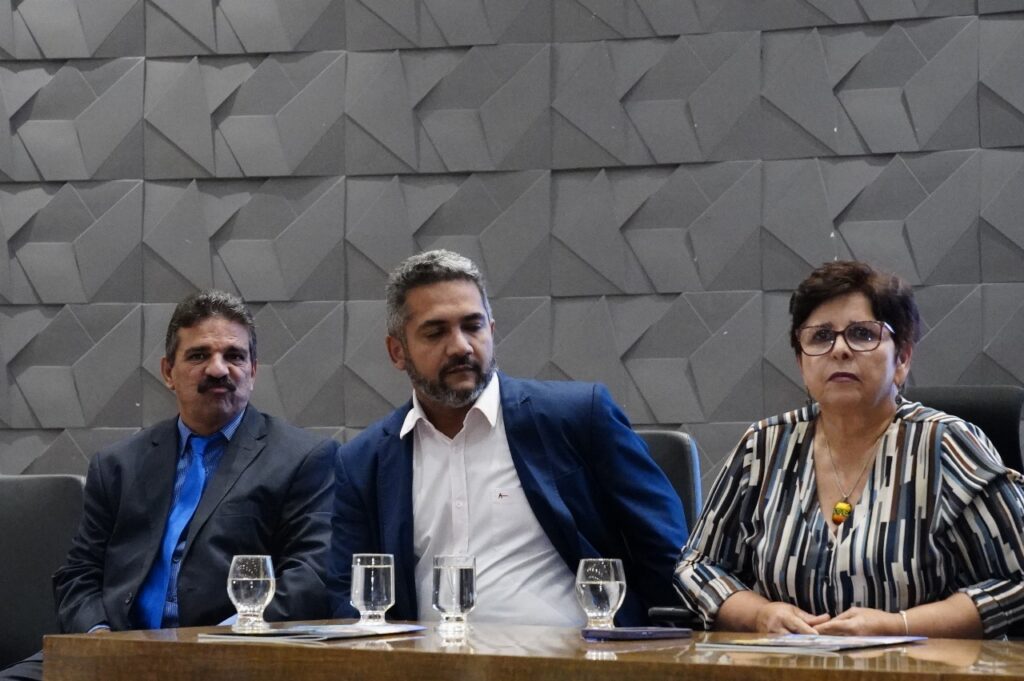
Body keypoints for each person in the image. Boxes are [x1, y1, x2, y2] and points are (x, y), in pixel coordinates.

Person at [328, 250, 687, 627]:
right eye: (436, 332)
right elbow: (348, 596)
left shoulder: (579, 417)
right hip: (428, 657)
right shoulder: (364, 461)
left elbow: (669, 556)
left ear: (492, 330)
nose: (461, 346)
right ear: (397, 351)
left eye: (473, 326)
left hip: (578, 655)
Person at [675, 261, 1024, 638]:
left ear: (902, 358)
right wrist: (759, 614)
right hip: (788, 664)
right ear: (801, 362)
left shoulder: (946, 446)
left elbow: (1017, 578)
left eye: (862, 334)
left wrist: (898, 625)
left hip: (921, 664)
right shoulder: (763, 447)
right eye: (820, 337)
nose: (839, 349)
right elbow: (697, 566)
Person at [1, 291, 335, 681]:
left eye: (234, 356)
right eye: (198, 355)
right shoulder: (118, 464)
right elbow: (79, 572)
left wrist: (225, 638)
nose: (218, 369)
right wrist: (99, 636)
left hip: (228, 655)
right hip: (112, 651)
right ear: (167, 372)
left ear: (253, 371)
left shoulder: (302, 459)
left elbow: (312, 574)